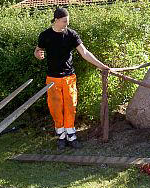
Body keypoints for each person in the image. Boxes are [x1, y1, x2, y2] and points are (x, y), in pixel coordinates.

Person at [34, 8, 109, 149]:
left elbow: (85, 53)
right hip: (52, 79)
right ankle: (61, 136)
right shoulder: (45, 35)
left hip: (69, 78)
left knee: (70, 106)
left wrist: (102, 66)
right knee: (56, 108)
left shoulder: (71, 35)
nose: (66, 25)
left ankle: (71, 135)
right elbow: (38, 50)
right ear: (56, 20)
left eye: (67, 22)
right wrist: (38, 54)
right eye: (64, 22)